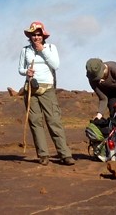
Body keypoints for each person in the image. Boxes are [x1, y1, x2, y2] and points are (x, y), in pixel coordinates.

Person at [16, 21, 76, 166]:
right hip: (31, 88)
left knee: (54, 121)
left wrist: (42, 49)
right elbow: (20, 69)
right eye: (33, 35)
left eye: (38, 35)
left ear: (43, 36)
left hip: (47, 88)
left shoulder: (50, 48)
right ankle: (43, 155)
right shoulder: (25, 50)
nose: (36, 38)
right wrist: (27, 71)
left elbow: (56, 65)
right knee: (35, 122)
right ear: (30, 36)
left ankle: (65, 154)